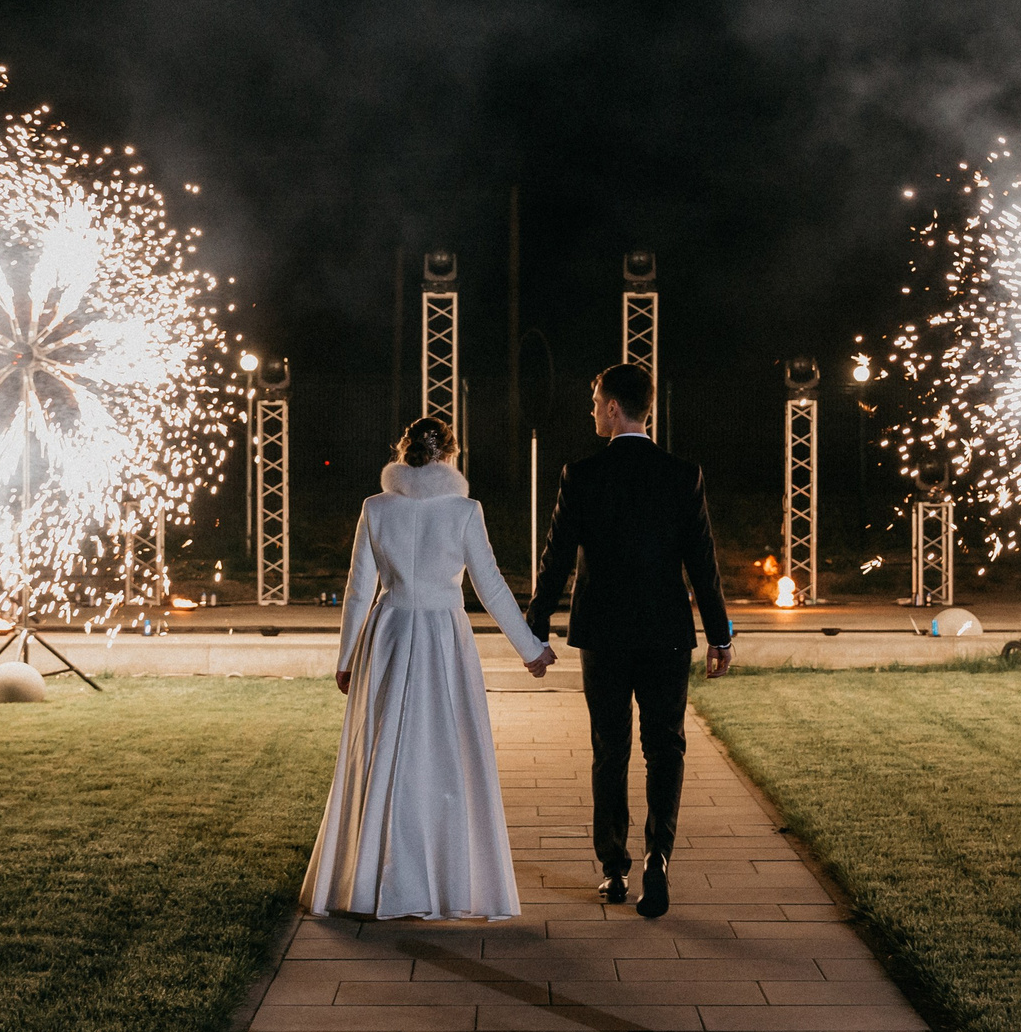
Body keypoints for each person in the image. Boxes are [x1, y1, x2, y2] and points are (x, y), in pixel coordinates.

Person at [299, 416, 555, 921]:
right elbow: (491, 587)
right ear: (451, 455)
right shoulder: (464, 510)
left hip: (389, 632)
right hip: (443, 637)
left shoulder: (376, 508)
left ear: (403, 451)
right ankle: (447, 879)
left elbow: (357, 592)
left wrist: (346, 657)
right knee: (445, 751)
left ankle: (374, 879)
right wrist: (530, 649)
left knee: (385, 750)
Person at [525, 363, 734, 920]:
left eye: (595, 400)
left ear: (615, 408)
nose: (591, 409)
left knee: (609, 749)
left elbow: (556, 559)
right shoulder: (682, 474)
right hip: (666, 632)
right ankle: (658, 857)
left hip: (605, 635)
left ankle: (614, 868)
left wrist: (536, 626)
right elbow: (703, 565)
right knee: (666, 748)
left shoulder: (582, 475)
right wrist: (720, 634)